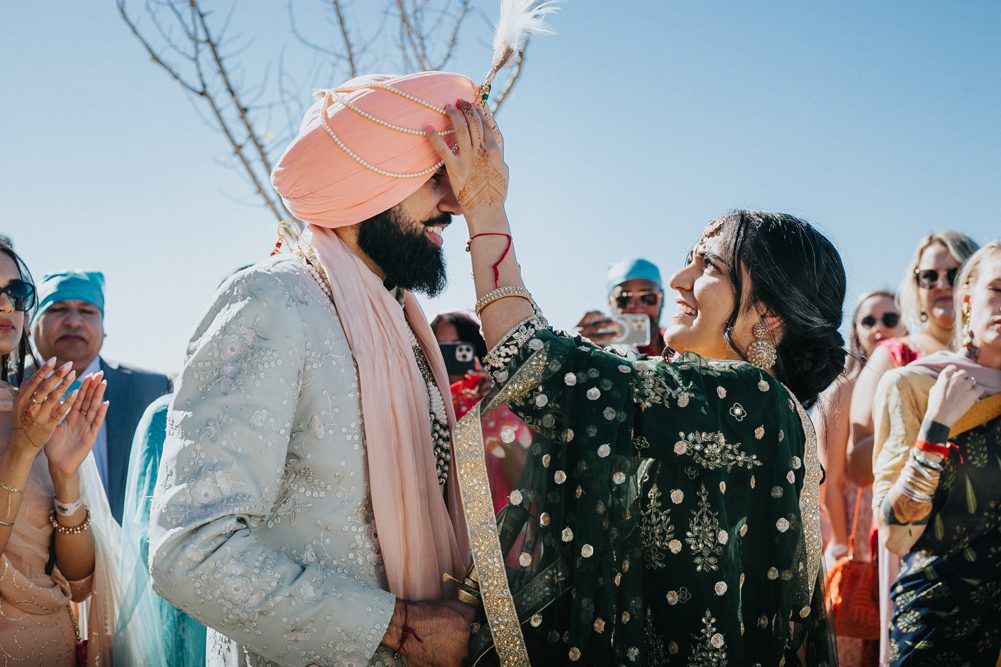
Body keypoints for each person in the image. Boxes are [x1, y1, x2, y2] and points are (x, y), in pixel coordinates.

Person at [426, 103, 847, 664]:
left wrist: (484, 206)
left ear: (767, 317)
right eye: (689, 260)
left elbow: (538, 364)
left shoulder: (755, 399)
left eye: (710, 268)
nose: (679, 280)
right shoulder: (733, 406)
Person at [148, 72, 489, 667]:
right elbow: (190, 550)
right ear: (371, 181)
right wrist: (400, 627)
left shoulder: (403, 322)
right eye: (434, 175)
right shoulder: (272, 301)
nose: (454, 202)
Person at [846, 231, 977, 663]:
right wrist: (931, 422)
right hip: (915, 537)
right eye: (928, 275)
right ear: (916, 288)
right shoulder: (896, 356)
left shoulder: (992, 357)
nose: (941, 283)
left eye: (954, 273)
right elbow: (856, 462)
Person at [871, 241, 1001, 665]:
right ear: (968, 302)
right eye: (998, 289)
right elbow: (895, 534)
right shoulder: (914, 385)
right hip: (937, 628)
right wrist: (936, 427)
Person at [0, 245, 117, 665]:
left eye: (17, 292)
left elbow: (80, 584)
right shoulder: (30, 426)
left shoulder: (37, 407)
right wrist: (21, 450)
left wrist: (66, 476)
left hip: (51, 647)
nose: (5, 305)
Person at [30, 271, 172, 523]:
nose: (73, 321)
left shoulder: (151, 390)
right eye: (58, 308)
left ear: (104, 327)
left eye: (86, 311)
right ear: (32, 324)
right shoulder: (9, 387)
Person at [816, 290, 906, 667]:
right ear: (855, 330)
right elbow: (831, 479)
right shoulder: (842, 389)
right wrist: (840, 544)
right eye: (869, 320)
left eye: (889, 318)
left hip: (896, 524)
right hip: (853, 531)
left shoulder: (913, 378)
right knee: (850, 645)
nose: (880, 328)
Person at [431, 310, 529, 514]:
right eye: (440, 349)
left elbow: (527, 482)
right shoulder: (426, 404)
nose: (449, 358)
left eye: (458, 348)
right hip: (452, 527)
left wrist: (493, 409)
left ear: (475, 347)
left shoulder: (508, 398)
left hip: (504, 525)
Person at [575, 258, 668, 357]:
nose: (637, 309)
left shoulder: (681, 348)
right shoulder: (595, 349)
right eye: (624, 299)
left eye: (648, 297)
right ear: (610, 302)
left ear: (662, 299)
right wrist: (573, 351)